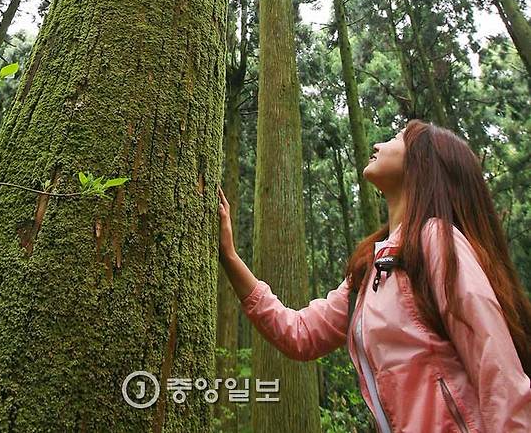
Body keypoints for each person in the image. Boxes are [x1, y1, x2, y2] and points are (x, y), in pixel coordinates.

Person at [218, 119, 531, 432]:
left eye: (396, 138)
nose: (378, 145)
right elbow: (300, 334)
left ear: (422, 163)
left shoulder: (434, 239)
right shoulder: (370, 270)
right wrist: (230, 257)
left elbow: (496, 367)